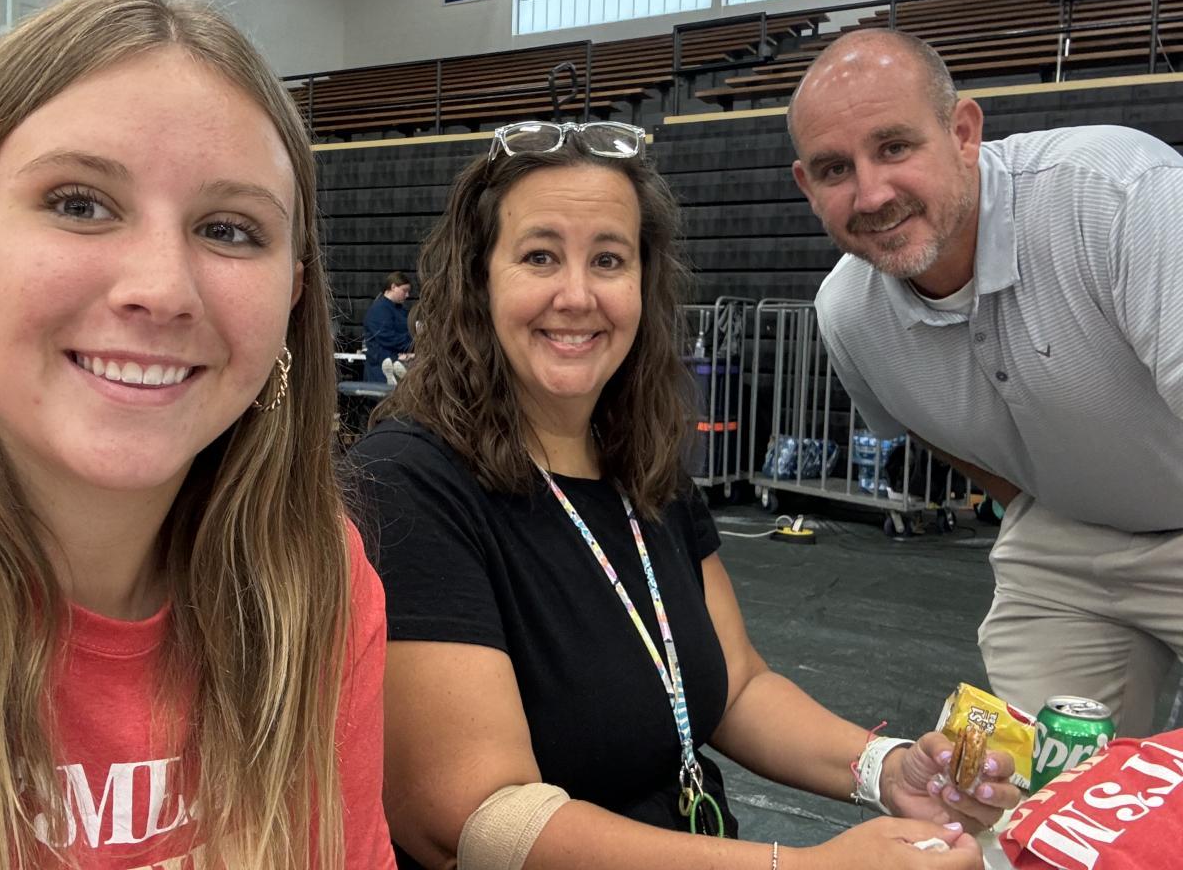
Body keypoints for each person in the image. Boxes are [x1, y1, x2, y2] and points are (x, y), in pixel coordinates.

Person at [349, 119, 1018, 870]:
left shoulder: (646, 468)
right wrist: (803, 868)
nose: (578, 295)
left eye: (609, 259)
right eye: (540, 256)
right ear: (478, 280)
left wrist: (885, 770)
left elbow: (734, 687)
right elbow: (476, 821)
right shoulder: (407, 483)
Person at [0, 0, 395, 870]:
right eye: (79, 204)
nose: (162, 289)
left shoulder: (318, 579)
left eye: (230, 229)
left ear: (291, 297)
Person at [788, 28, 1183, 737]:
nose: (871, 194)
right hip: (1063, 546)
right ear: (806, 187)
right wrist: (1041, 500)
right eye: (835, 168)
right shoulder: (847, 313)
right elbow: (924, 428)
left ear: (963, 133)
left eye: (894, 147)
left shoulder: (1121, 195)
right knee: (1038, 784)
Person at [364, 271, 413, 384]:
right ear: (393, 287)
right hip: (380, 371)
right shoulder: (378, 310)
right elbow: (388, 338)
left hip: (398, 365)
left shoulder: (401, 311)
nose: (407, 295)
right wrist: (413, 344)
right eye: (404, 290)